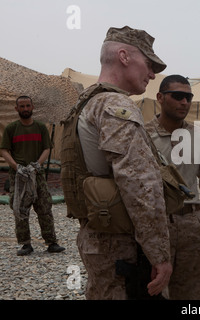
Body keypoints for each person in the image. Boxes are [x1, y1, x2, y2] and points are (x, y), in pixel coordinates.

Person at [66, 26, 171, 299]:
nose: (152, 74)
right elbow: (139, 183)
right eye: (148, 64)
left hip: (99, 240)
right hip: (123, 249)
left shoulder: (85, 103)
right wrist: (159, 254)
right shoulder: (114, 106)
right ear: (124, 56)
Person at [144, 75, 200, 299]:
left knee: (192, 296)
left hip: (193, 229)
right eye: (177, 96)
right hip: (155, 228)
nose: (184, 102)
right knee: (153, 292)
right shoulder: (142, 136)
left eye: (188, 97)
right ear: (160, 97)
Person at [0, 96, 65, 256]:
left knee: (44, 207)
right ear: (16, 109)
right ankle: (25, 244)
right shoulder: (11, 129)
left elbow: (47, 148)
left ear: (32, 107)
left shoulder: (41, 128)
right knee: (20, 210)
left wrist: (37, 165)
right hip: (19, 176)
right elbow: (4, 150)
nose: (25, 109)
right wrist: (17, 167)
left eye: (28, 106)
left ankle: (51, 242)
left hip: (38, 175)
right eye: (22, 106)